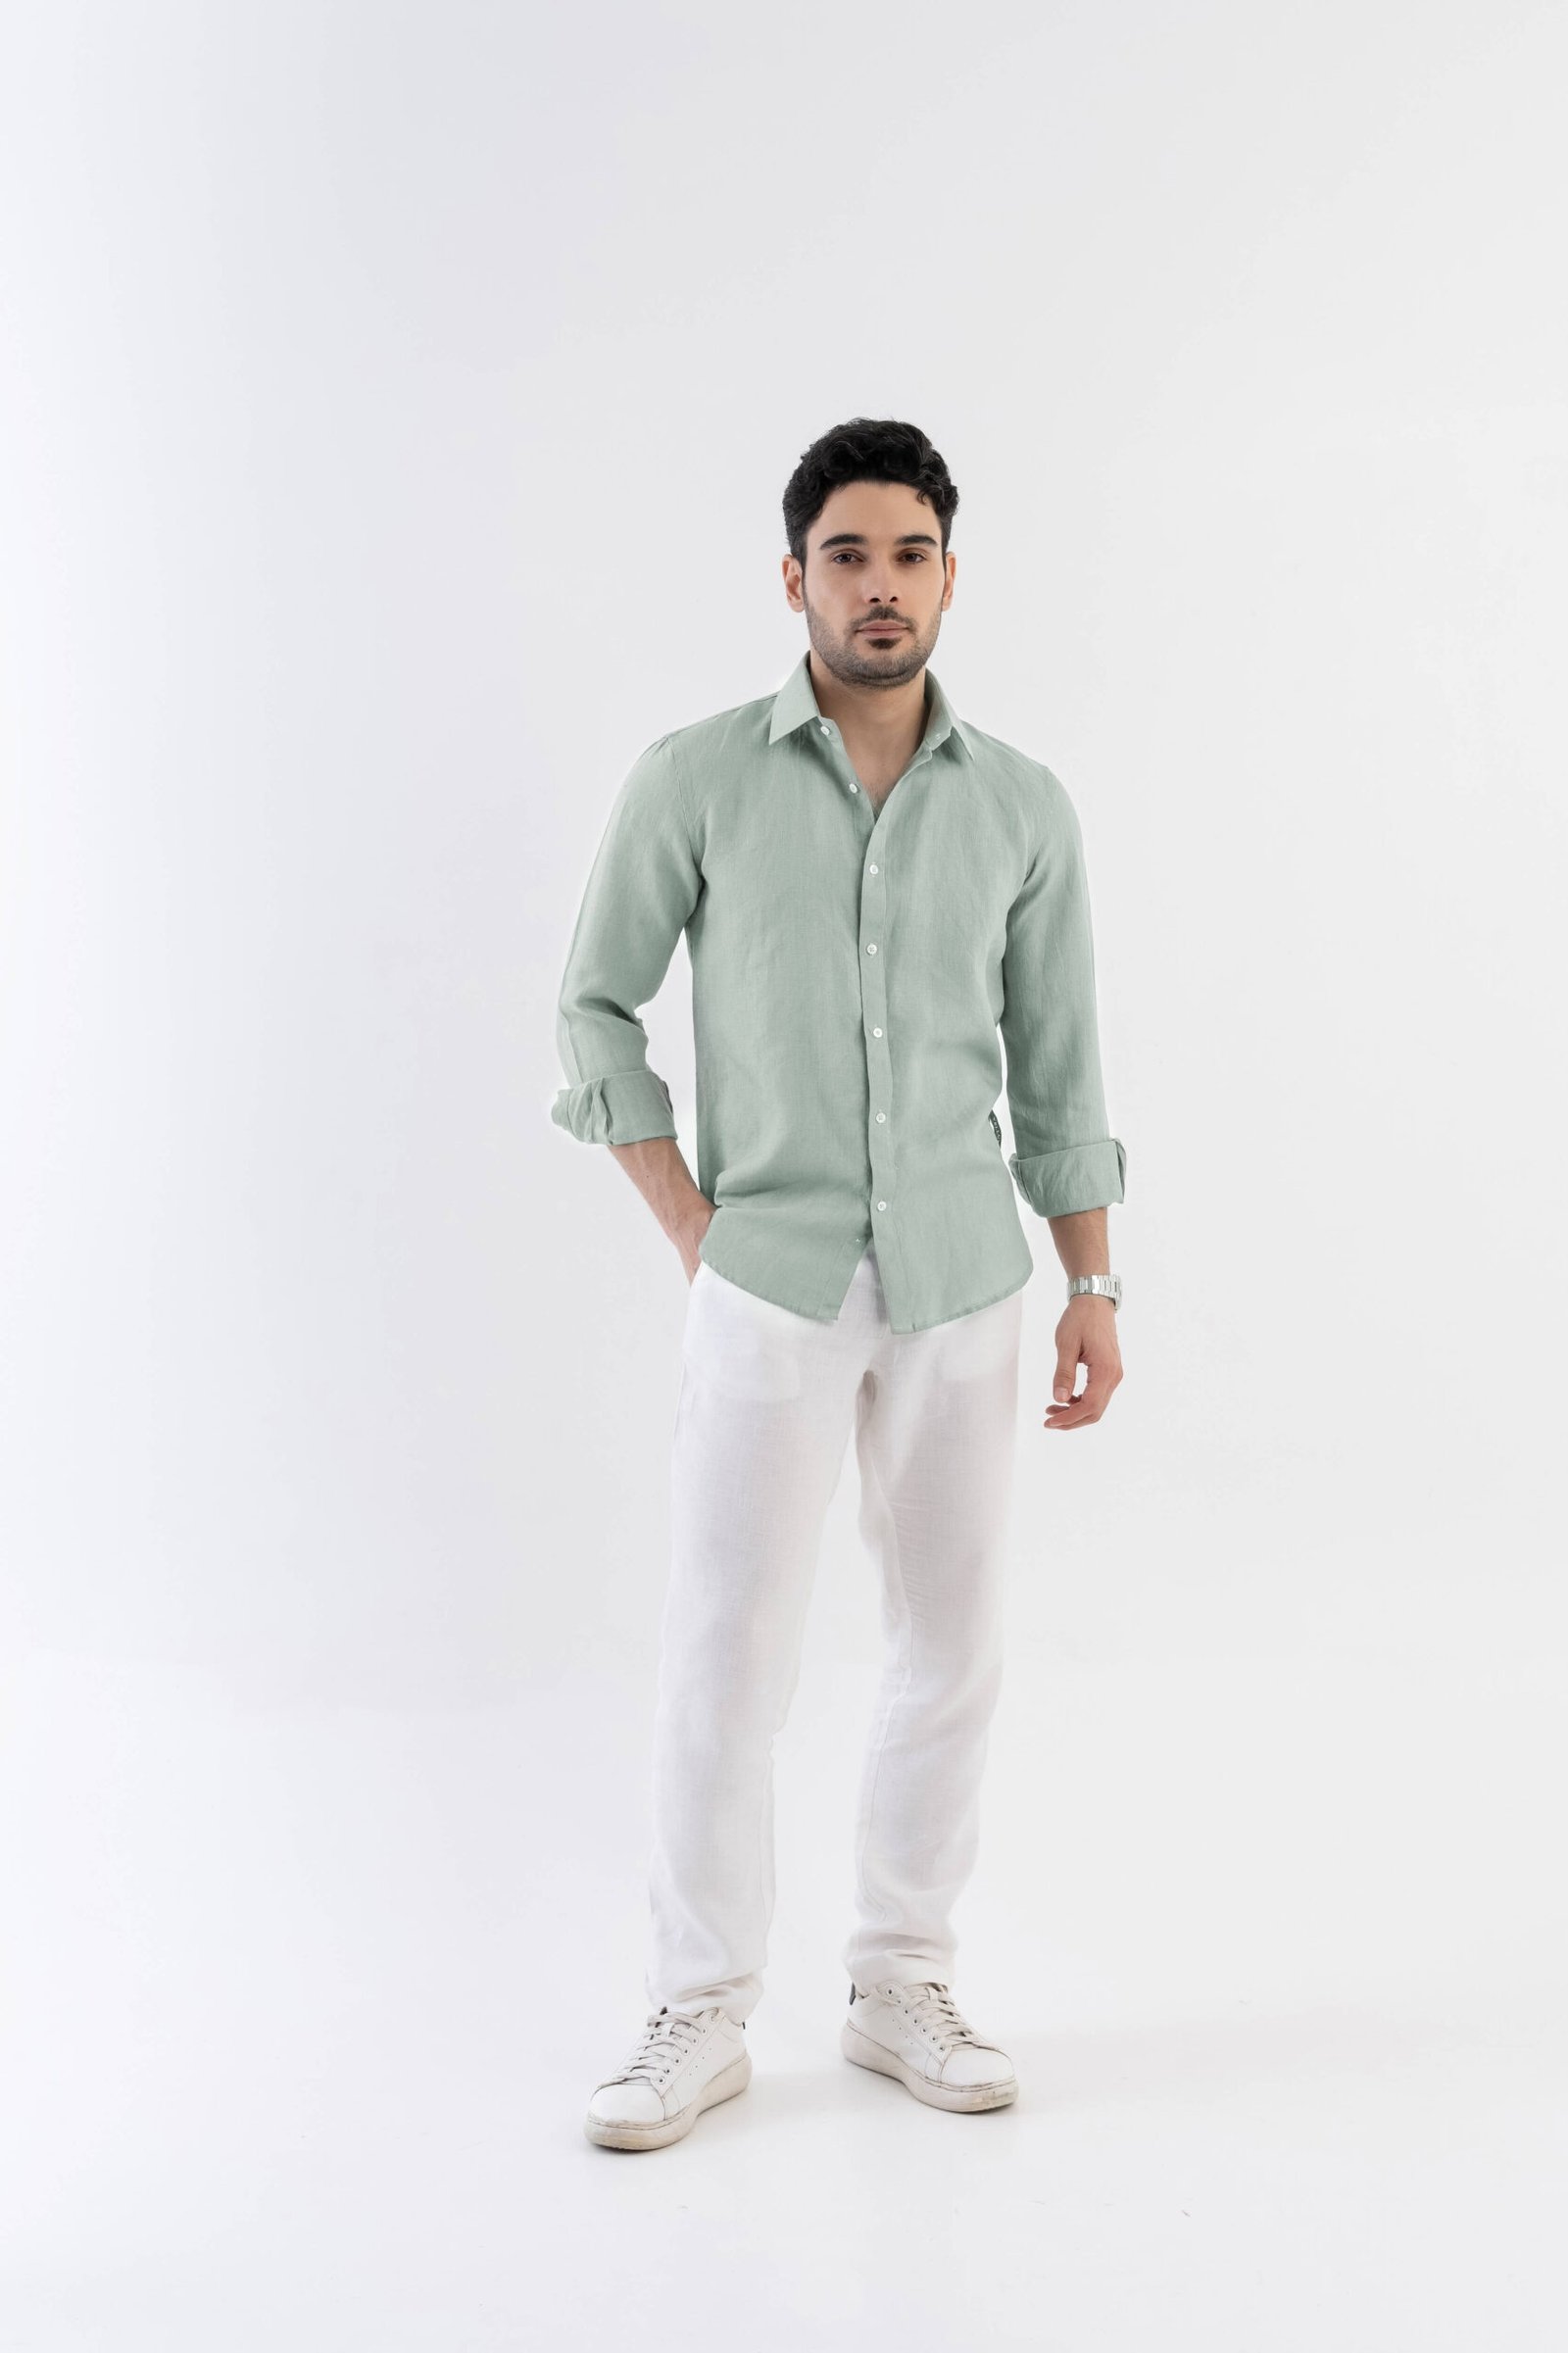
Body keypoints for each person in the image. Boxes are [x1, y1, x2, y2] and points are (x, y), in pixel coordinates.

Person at [551, 417, 1127, 2152]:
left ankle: (901, 1978)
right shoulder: (696, 778)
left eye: (910, 554)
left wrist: (1092, 1280)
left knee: (952, 1639)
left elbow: (1061, 1063)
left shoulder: (1023, 806)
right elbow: (593, 1008)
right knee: (728, 1644)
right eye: (848, 555)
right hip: (771, 1277)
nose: (881, 586)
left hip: (964, 1277)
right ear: (792, 575)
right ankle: (700, 2001)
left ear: (951, 575)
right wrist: (689, 1219)